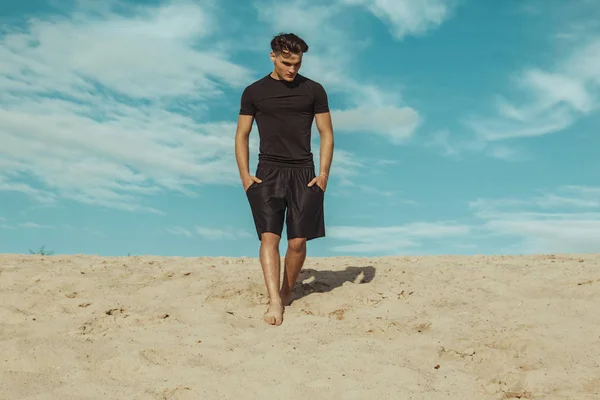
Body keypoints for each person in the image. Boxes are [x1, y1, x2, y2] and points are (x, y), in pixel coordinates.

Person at [234, 32, 334, 326]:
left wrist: (324, 174)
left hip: (305, 172)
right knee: (269, 237)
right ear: (273, 57)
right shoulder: (253, 92)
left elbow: (326, 133)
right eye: (287, 62)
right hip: (267, 172)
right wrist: (245, 175)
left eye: (298, 64)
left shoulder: (314, 90)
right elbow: (242, 135)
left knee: (298, 243)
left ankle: (287, 290)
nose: (292, 69)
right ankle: (274, 300)